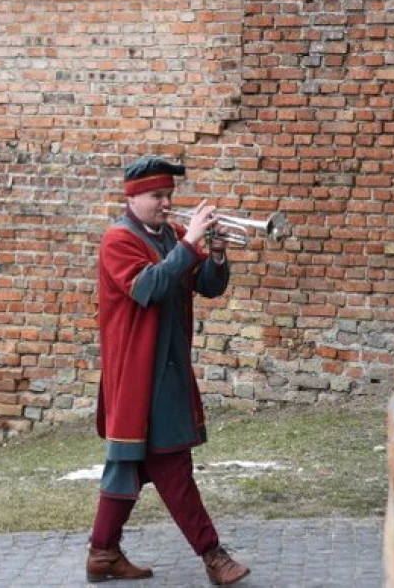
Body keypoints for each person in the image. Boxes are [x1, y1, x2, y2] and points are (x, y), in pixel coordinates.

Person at [86, 155, 251, 585]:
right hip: (139, 373)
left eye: (169, 195)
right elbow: (150, 288)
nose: (166, 203)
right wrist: (189, 244)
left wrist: (214, 254)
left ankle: (103, 553)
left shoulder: (174, 236)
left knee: (131, 466)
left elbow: (208, 286)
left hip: (168, 368)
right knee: (173, 466)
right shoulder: (118, 241)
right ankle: (213, 555)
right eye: (158, 196)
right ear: (133, 197)